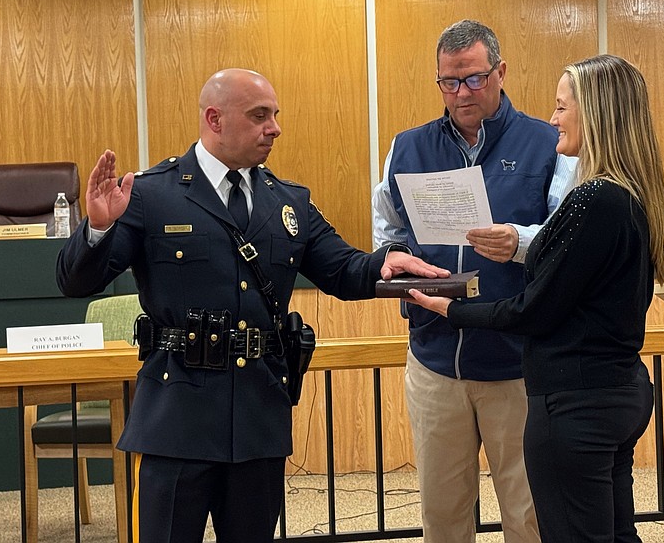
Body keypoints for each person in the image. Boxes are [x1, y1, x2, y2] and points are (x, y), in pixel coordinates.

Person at [56, 68, 448, 543]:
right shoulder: (151, 194)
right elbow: (77, 281)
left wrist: (386, 262)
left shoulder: (287, 202)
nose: (275, 127)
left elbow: (343, 269)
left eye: (275, 115)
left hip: (258, 417)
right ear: (214, 119)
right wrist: (98, 227)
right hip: (178, 419)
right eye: (260, 115)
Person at [407, 54, 664, 543]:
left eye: (561, 107)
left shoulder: (592, 199)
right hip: (616, 389)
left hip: (577, 402)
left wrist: (452, 308)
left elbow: (535, 310)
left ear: (595, 114)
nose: (553, 120)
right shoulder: (629, 196)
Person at [372, 19, 577, 543]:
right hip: (435, 359)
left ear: (501, 72)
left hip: (516, 362)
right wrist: (395, 256)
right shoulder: (408, 147)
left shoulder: (547, 143)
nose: (461, 93)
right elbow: (388, 226)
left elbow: (568, 235)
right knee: (442, 515)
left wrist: (521, 243)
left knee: (528, 513)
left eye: (474, 79)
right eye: (448, 82)